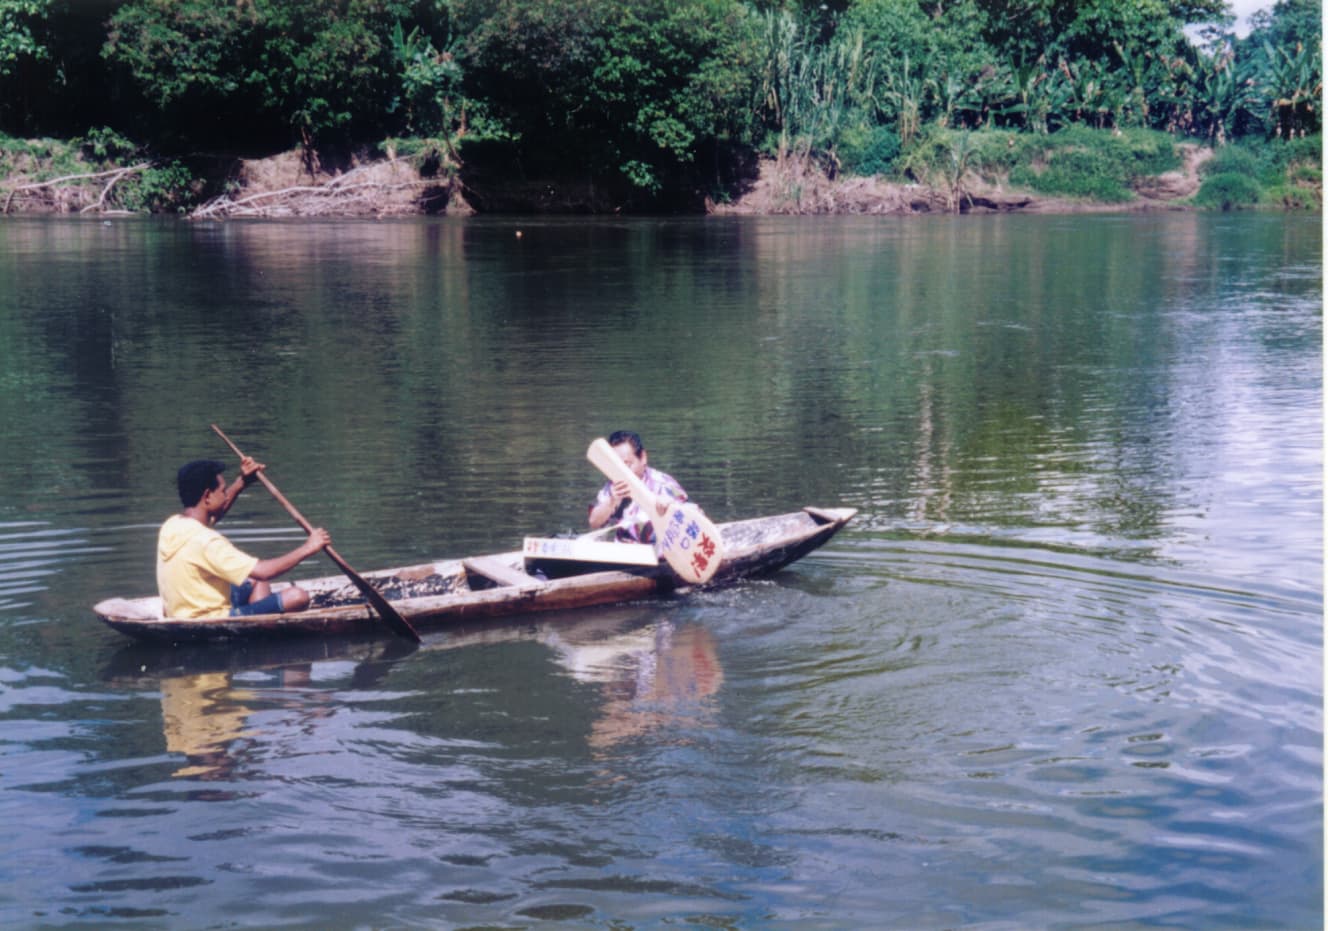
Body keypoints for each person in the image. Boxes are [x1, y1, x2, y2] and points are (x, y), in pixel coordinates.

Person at [157, 458, 330, 619]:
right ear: (207, 496)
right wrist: (309, 547)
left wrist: (243, 482)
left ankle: (259, 622)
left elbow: (214, 514)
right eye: (223, 491)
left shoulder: (172, 525)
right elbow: (264, 570)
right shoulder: (208, 542)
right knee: (297, 596)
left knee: (255, 581)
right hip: (211, 618)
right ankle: (259, 626)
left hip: (179, 612)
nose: (225, 496)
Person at [587, 431, 688, 543]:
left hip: (655, 553)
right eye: (617, 466)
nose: (623, 472)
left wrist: (671, 507)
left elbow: (692, 517)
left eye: (627, 464)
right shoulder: (611, 487)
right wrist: (611, 501)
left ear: (643, 458)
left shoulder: (663, 484)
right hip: (620, 553)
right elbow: (594, 522)